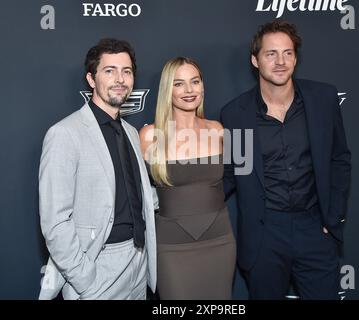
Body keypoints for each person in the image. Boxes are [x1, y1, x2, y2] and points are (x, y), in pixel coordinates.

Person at [220, 20, 351, 299]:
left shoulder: (323, 99)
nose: (280, 61)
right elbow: (233, 171)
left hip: (315, 229)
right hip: (265, 236)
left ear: (295, 57)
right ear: (255, 60)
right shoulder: (236, 114)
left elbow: (339, 158)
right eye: (271, 54)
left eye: (287, 53)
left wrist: (334, 215)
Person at [38, 38, 156, 300]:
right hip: (98, 267)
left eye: (126, 71)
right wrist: (85, 279)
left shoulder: (130, 133)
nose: (120, 79)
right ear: (91, 80)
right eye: (109, 70)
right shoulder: (64, 134)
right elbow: (55, 222)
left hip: (139, 264)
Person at [139, 57, 236, 299]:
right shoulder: (150, 135)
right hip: (172, 246)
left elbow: (235, 180)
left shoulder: (218, 130)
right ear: (166, 90)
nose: (189, 90)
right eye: (179, 83)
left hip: (220, 241)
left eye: (195, 81)